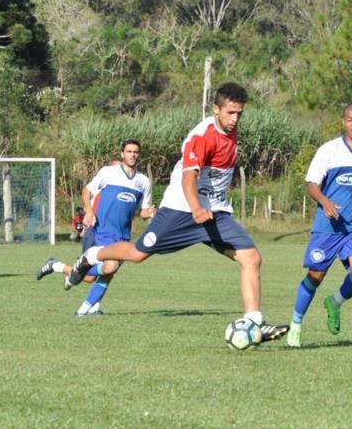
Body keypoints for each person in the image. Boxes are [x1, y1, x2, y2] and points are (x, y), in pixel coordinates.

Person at [61, 82, 288, 341]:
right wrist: (195, 208)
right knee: (137, 254)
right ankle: (91, 255)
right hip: (181, 210)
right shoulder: (202, 137)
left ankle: (254, 322)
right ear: (216, 109)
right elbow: (188, 178)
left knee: (251, 258)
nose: (235, 119)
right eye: (230, 113)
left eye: (239, 113)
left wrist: (206, 208)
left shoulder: (231, 131)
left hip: (215, 213)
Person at [286, 102, 352, 348]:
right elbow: (311, 183)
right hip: (327, 226)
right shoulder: (328, 150)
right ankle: (296, 324)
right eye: (350, 119)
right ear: (343, 121)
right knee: (316, 276)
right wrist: (325, 201)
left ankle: (335, 301)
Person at [37, 142, 153, 316]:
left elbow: (142, 211)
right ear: (122, 153)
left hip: (124, 236)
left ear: (139, 155)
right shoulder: (108, 172)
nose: (132, 155)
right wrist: (89, 211)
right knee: (110, 267)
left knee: (98, 275)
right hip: (103, 231)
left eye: (136, 152)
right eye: (129, 151)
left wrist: (150, 212)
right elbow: (87, 191)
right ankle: (85, 311)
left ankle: (59, 268)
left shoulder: (143, 181)